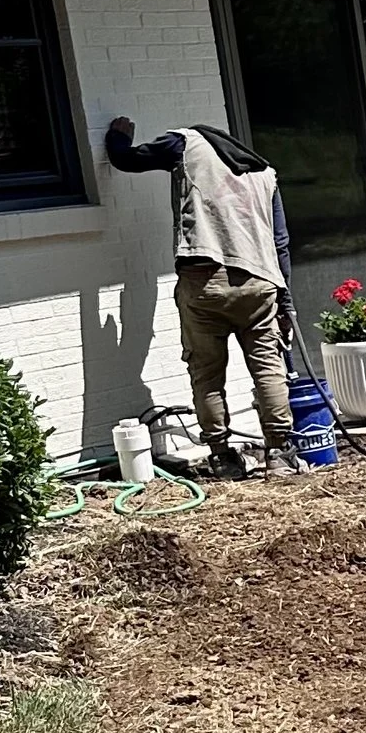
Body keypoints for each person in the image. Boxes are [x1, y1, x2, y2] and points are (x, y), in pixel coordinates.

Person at [105, 117, 302, 478]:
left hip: (204, 280)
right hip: (259, 284)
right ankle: (279, 454)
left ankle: (223, 457)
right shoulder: (265, 174)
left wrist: (117, 137)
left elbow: (128, 160)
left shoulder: (186, 144)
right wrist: (286, 304)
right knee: (268, 368)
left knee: (207, 374)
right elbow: (281, 244)